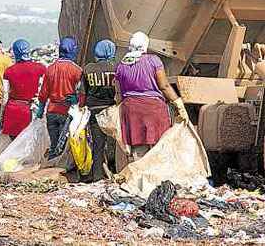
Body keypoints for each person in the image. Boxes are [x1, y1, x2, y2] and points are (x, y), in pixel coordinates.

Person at [114, 31, 189, 163]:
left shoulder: (121, 66)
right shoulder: (153, 61)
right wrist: (179, 104)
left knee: (138, 152)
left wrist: (119, 113)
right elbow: (164, 86)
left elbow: (119, 94)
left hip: (131, 111)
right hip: (153, 110)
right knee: (159, 148)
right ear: (145, 46)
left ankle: (140, 180)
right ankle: (158, 180)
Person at [37, 36, 83, 159]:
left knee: (53, 145)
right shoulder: (77, 70)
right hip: (67, 112)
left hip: (51, 111)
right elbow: (80, 93)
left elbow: (43, 93)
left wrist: (40, 110)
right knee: (63, 146)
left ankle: (50, 166)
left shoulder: (50, 69)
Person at [81, 39, 117, 181]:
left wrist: (82, 108)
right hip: (111, 110)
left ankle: (97, 176)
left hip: (94, 111)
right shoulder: (116, 68)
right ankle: (115, 173)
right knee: (114, 143)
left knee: (98, 145)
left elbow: (83, 93)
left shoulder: (88, 69)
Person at [1, 39, 46, 139]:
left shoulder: (9, 71)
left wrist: (2, 118)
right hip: (30, 110)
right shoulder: (41, 68)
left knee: (12, 145)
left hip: (12, 112)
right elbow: (44, 91)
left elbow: (4, 96)